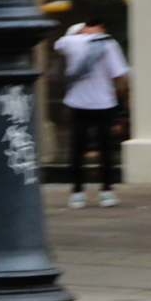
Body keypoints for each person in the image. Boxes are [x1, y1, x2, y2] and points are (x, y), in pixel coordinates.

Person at [53, 14, 128, 208]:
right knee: (106, 150)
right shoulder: (109, 44)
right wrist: (124, 95)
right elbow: (120, 75)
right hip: (104, 103)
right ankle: (106, 192)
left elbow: (58, 45)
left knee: (77, 150)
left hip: (77, 103)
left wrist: (79, 31)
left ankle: (77, 193)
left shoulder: (70, 41)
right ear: (101, 26)